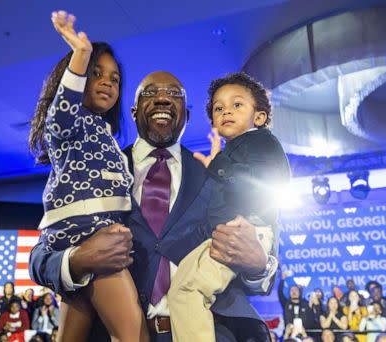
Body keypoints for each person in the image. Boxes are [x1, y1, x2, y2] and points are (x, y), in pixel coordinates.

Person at [30, 66, 278, 342]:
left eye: (174, 93)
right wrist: (77, 260)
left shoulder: (218, 173)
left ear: (188, 114)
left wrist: (259, 266)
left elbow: (264, 257)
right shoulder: (92, 169)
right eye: (150, 92)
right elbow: (40, 257)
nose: (162, 98)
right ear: (134, 111)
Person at [28, 10, 147, 342]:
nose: (108, 82)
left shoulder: (107, 135)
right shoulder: (73, 121)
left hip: (86, 244)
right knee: (134, 336)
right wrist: (80, 56)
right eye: (97, 74)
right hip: (88, 237)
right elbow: (61, 112)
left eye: (115, 78)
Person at [166, 72, 289, 341]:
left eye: (237, 105)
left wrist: (218, 166)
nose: (226, 112)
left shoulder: (261, 142)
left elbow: (265, 183)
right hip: (223, 232)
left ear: (259, 117)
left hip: (244, 231)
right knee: (180, 289)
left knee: (187, 292)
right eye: (219, 108)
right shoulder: (228, 154)